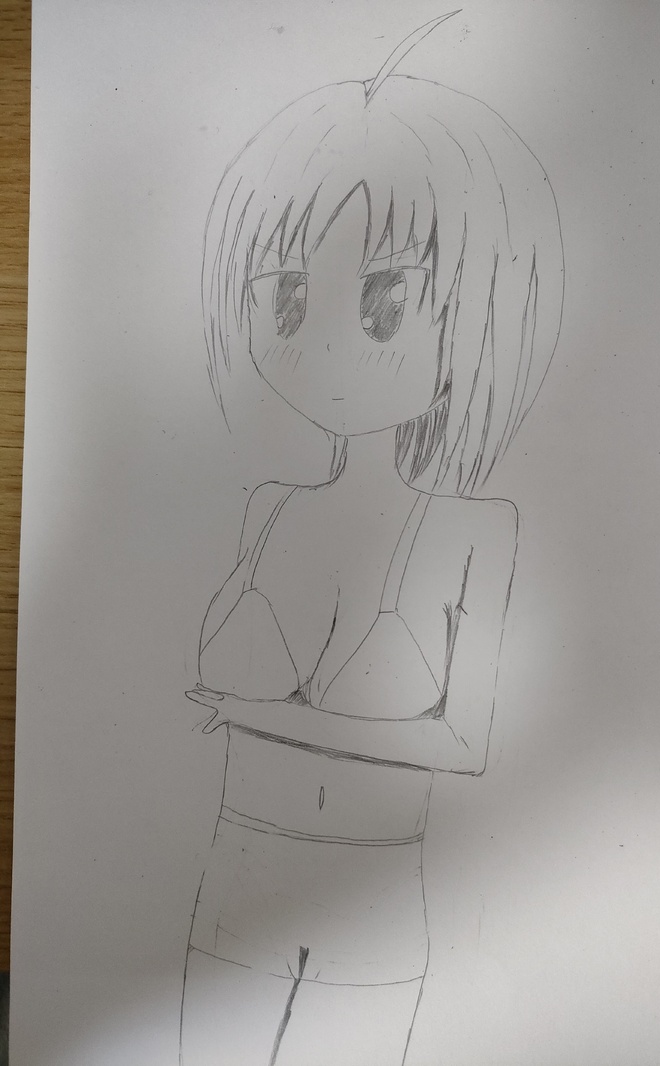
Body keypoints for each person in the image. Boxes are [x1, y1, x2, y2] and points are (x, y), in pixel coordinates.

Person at [179, 20, 563, 1064]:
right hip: (241, 869)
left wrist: (258, 713)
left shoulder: (478, 530)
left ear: (473, 315)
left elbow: (464, 742)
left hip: (375, 892)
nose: (324, 341)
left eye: (386, 301)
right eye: (289, 297)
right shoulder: (267, 507)